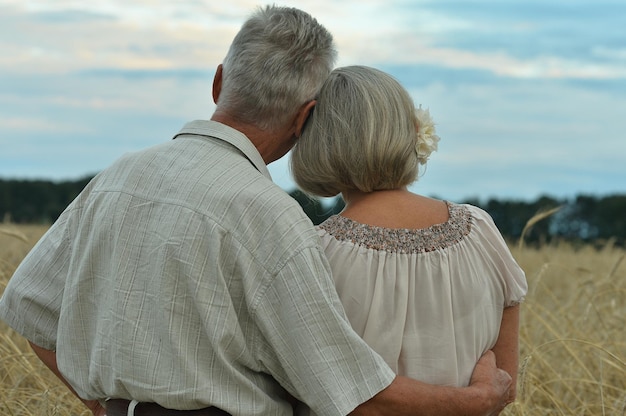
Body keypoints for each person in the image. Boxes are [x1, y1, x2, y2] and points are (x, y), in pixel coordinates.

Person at [0, 6, 512, 416]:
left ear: (219, 82)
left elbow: (28, 306)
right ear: (307, 116)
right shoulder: (272, 215)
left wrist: (109, 406)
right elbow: (351, 391)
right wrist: (473, 402)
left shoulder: (118, 177)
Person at [290, 66, 528, 406]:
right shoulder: (480, 230)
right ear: (411, 132)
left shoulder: (314, 251)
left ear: (315, 140)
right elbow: (504, 388)